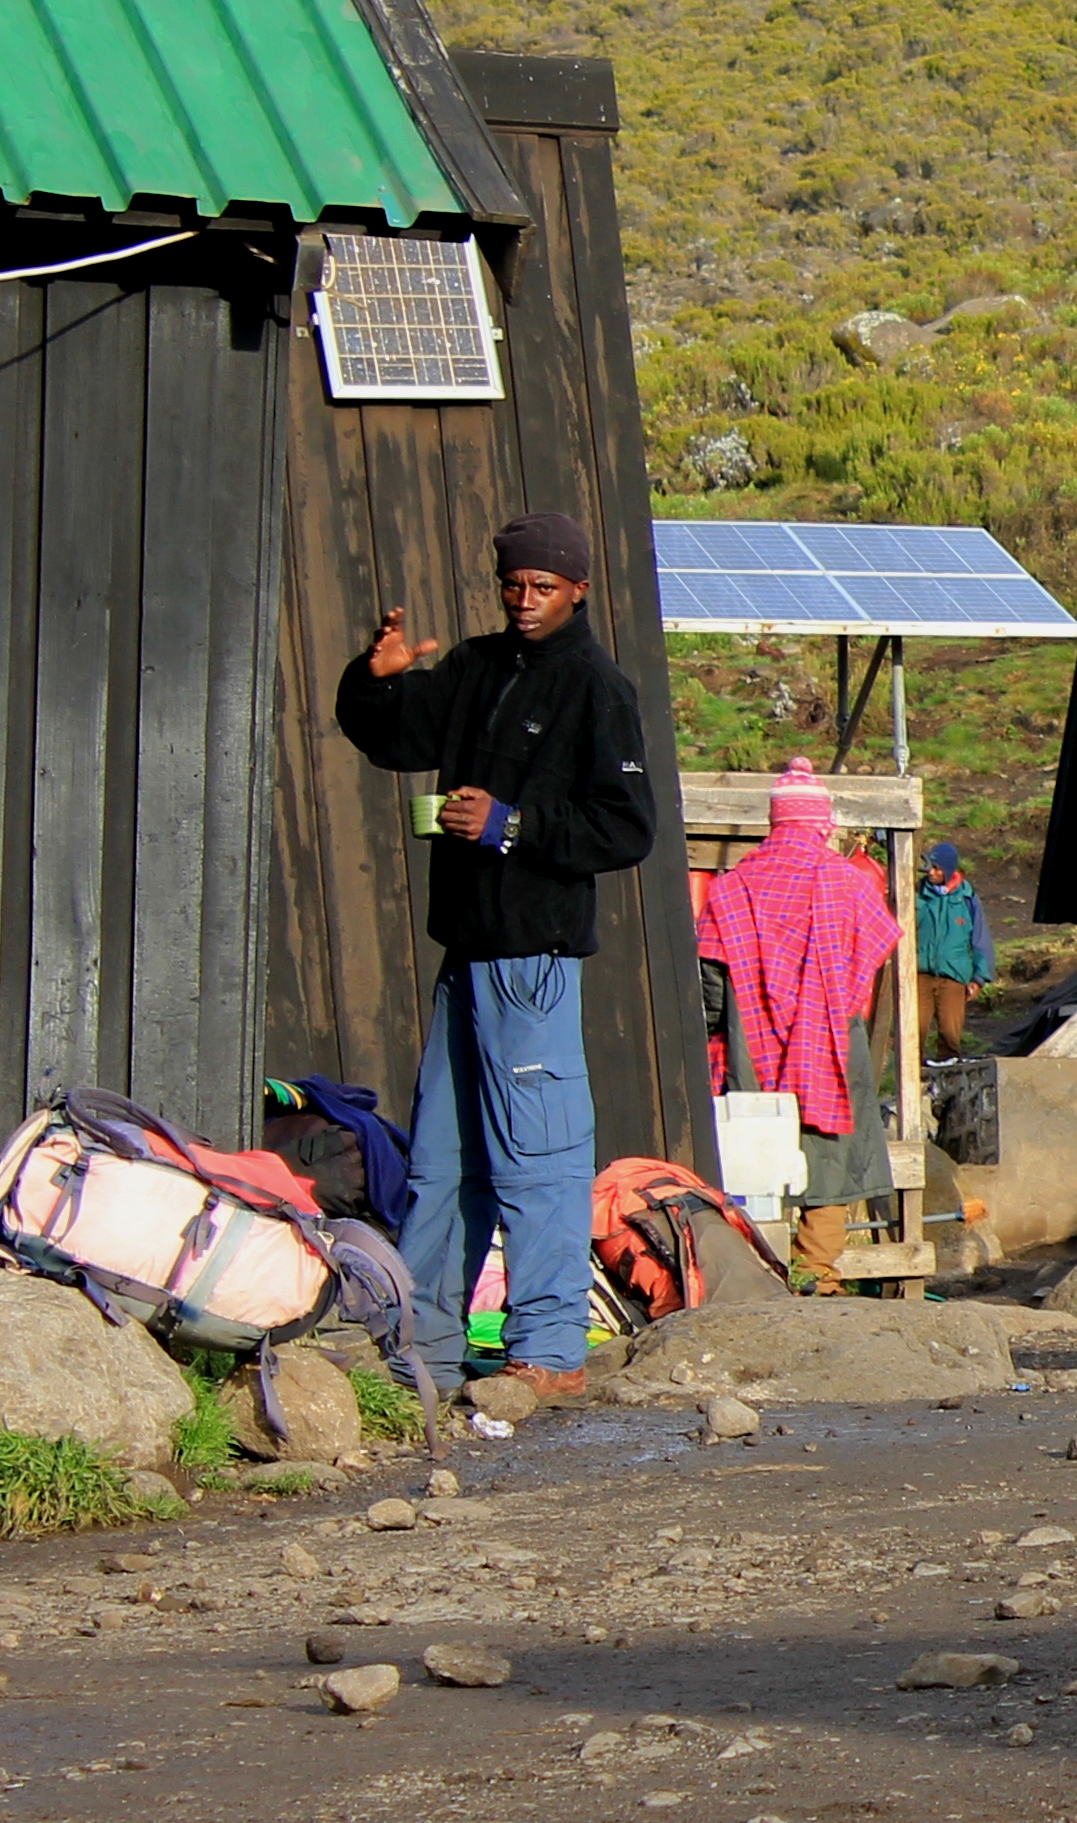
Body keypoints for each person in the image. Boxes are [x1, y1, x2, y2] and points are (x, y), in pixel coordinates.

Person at [332, 511, 657, 1391]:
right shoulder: (478, 667)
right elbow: (393, 737)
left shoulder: (597, 687)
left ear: (578, 590)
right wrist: (377, 680)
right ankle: (421, 1356)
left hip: (533, 960)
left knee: (538, 1161)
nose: (524, 601)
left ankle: (549, 1354)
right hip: (466, 956)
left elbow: (629, 828)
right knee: (442, 1162)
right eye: (513, 585)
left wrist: (511, 827)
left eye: (543, 587)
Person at [695, 762, 907, 1278]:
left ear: (775, 821)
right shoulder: (848, 885)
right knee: (829, 1156)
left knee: (756, 1158)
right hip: (830, 1045)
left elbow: (709, 984)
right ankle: (818, 1272)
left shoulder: (731, 889)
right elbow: (875, 953)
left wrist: (722, 1030)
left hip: (751, 1048)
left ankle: (759, 1273)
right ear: (821, 822)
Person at [912, 839, 995, 1054]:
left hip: (954, 976)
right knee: (915, 1031)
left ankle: (947, 1079)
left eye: (937, 868)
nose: (931, 872)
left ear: (948, 870)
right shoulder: (916, 894)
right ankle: (914, 1080)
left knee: (950, 1033)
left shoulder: (968, 899)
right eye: (930, 867)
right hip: (920, 974)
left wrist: (979, 978)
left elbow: (980, 939)